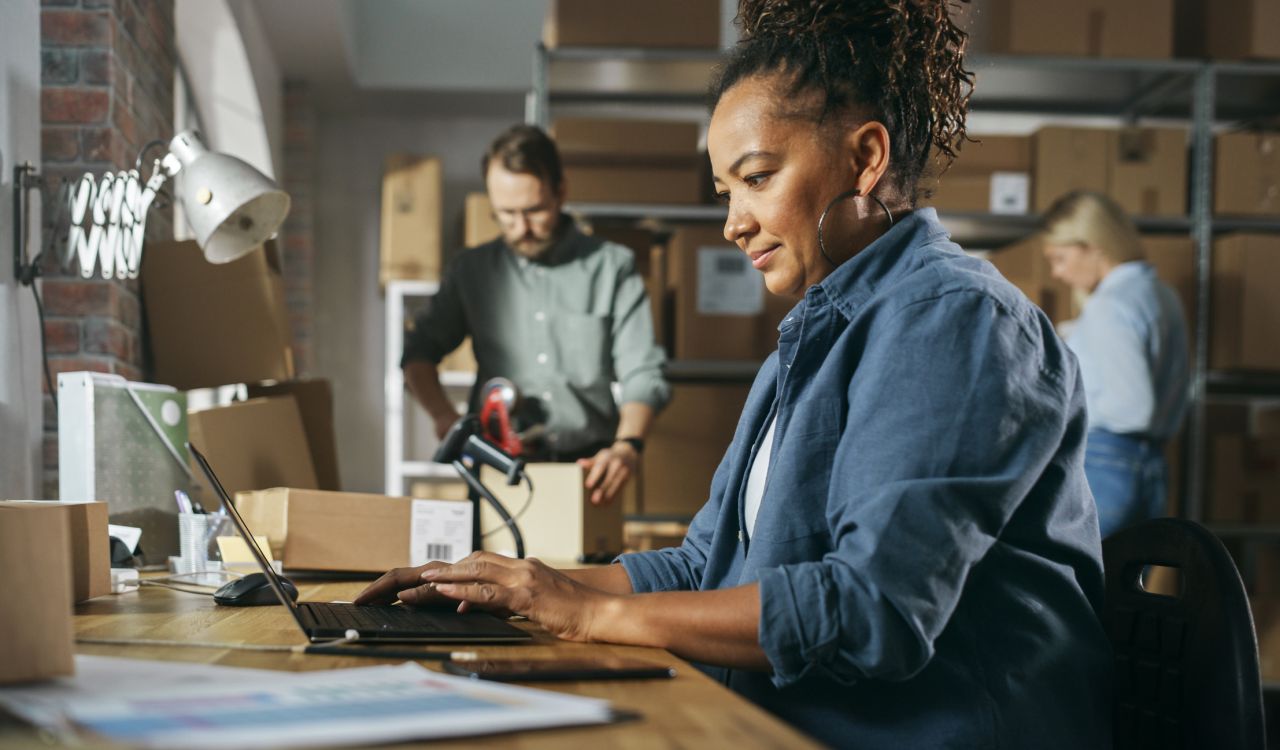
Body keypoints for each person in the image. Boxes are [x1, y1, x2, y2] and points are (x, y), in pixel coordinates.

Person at [360, 1, 1112, 746]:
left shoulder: (955, 321)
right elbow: (703, 565)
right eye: (727, 193)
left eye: (756, 178)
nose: (732, 223)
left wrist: (590, 613)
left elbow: (870, 610)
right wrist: (518, 584)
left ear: (865, 158)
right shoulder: (819, 329)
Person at [401, 124, 670, 506]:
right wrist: (445, 417)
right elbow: (417, 353)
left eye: (534, 211)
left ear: (561, 191)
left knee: (577, 569)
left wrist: (628, 446)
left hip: (587, 474)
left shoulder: (612, 268)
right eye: (506, 215)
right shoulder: (471, 271)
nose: (521, 228)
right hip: (495, 470)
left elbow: (642, 371)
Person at [1041, 191, 1191, 538]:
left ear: (1093, 246)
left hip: (1106, 463)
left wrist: (1060, 408)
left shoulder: (1110, 306)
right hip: (1150, 467)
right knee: (1126, 586)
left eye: (1060, 258)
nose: (1057, 273)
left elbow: (1133, 409)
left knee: (1078, 585)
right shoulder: (1162, 295)